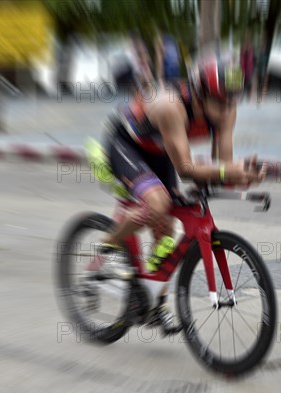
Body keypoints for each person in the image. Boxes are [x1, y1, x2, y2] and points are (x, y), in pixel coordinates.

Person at [95, 54, 267, 332]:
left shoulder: (227, 110)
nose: (226, 110)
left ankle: (154, 304)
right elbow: (187, 169)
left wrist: (244, 176)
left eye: (232, 101)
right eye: (220, 102)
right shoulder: (170, 105)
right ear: (200, 94)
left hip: (160, 150)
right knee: (158, 203)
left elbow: (222, 168)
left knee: (166, 229)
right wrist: (227, 172)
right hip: (126, 144)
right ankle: (109, 246)